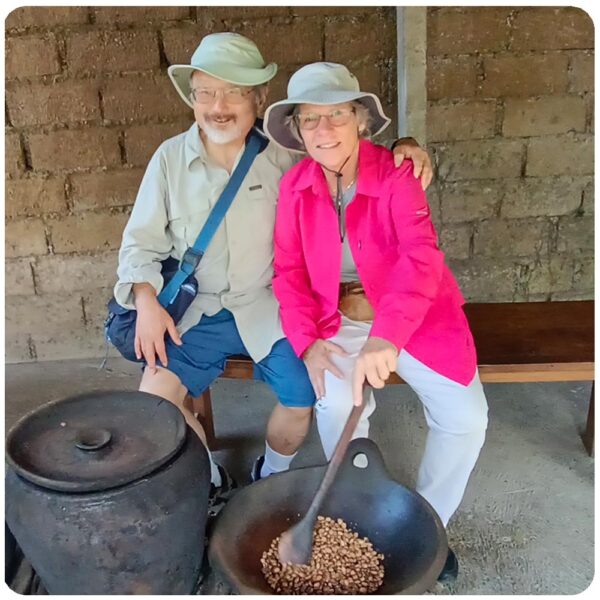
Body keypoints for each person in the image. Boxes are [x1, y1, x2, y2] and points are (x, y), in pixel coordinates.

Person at [113, 33, 434, 515]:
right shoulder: (168, 160)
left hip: (268, 306)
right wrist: (145, 302)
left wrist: (403, 148)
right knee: (156, 406)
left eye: (235, 92)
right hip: (192, 311)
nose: (218, 106)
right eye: (206, 92)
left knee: (306, 396)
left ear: (258, 100)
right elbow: (140, 242)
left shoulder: (287, 158)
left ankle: (271, 476)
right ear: (192, 98)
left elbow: (344, 154)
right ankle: (212, 476)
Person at [263, 62, 489, 582]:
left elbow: (420, 257)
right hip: (333, 316)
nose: (324, 129)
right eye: (310, 118)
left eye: (336, 114)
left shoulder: (395, 174)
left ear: (360, 120)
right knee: (337, 403)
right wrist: (307, 343)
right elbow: (288, 271)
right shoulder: (294, 187)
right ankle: (358, 514)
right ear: (296, 130)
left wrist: (387, 335)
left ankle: (429, 524)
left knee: (465, 417)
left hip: (412, 312)